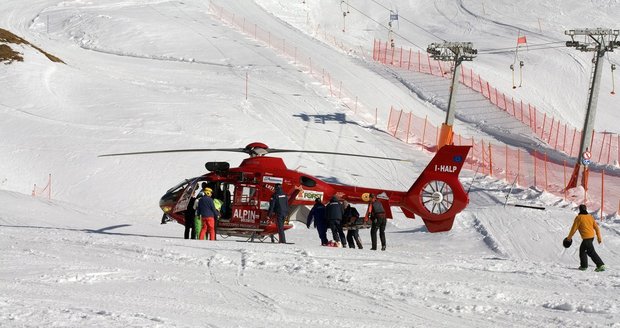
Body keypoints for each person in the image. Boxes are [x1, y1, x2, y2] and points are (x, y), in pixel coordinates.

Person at [566, 204, 605, 272]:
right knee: (583, 250)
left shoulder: (579, 217)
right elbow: (596, 228)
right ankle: (584, 266)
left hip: (586, 238)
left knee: (590, 252)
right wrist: (599, 237)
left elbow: (573, 229)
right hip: (591, 237)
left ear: (580, 209)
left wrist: (569, 238)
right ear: (585, 209)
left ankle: (600, 265)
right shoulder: (590, 217)